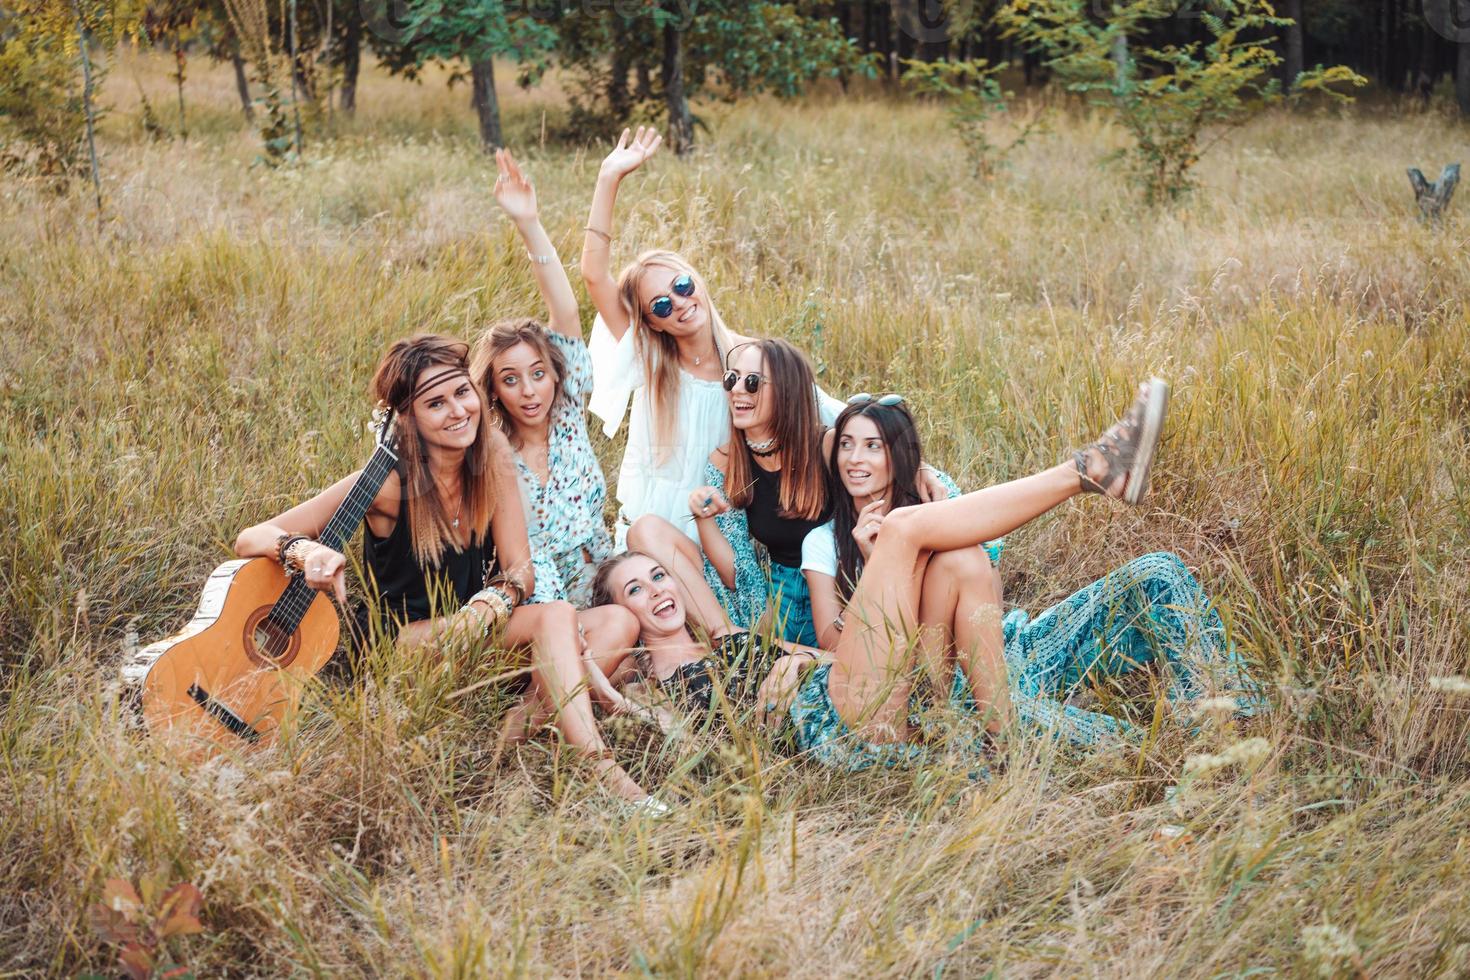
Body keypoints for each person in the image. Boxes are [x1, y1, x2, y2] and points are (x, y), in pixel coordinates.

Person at [232, 333, 655, 805]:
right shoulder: (387, 483)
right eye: (436, 403)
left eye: (462, 392)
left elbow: (520, 568)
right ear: (407, 418)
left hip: (478, 626)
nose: (458, 411)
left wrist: (490, 607)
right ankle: (609, 775)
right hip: (406, 644)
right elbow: (252, 537)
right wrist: (306, 553)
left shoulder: (490, 455)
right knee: (557, 622)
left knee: (615, 621)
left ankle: (496, 746)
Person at [801, 393, 1262, 752]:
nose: (855, 459)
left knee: (1159, 574)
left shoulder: (940, 502)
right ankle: (1091, 468)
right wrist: (872, 563)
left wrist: (937, 513)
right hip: (955, 689)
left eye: (872, 446)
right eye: (845, 446)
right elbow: (833, 646)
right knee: (1130, 746)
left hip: (1013, 650)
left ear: (898, 456)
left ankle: (1229, 715)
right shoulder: (823, 542)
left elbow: (987, 589)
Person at [580, 127, 866, 546]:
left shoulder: (749, 364)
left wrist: (898, 446)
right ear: (652, 323)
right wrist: (609, 179)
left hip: (721, 534)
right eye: (660, 305)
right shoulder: (653, 361)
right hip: (650, 528)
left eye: (681, 285)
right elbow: (593, 274)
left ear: (696, 280)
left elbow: (827, 411)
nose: (678, 303)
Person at [627, 339, 950, 649]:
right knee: (645, 530)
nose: (738, 389)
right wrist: (703, 518)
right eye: (732, 379)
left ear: (786, 392)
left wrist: (923, 468)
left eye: (752, 382)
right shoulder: (726, 462)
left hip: (836, 583)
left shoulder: (827, 445)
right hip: (769, 589)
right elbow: (735, 570)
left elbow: (885, 456)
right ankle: (735, 636)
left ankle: (779, 649)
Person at [469, 149, 613, 608]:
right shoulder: (490, 446)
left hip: (601, 571)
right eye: (510, 380)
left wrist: (528, 223)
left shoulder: (568, 410)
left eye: (537, 374)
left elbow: (566, 310)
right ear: (493, 389)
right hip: (538, 591)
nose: (529, 390)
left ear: (555, 374)